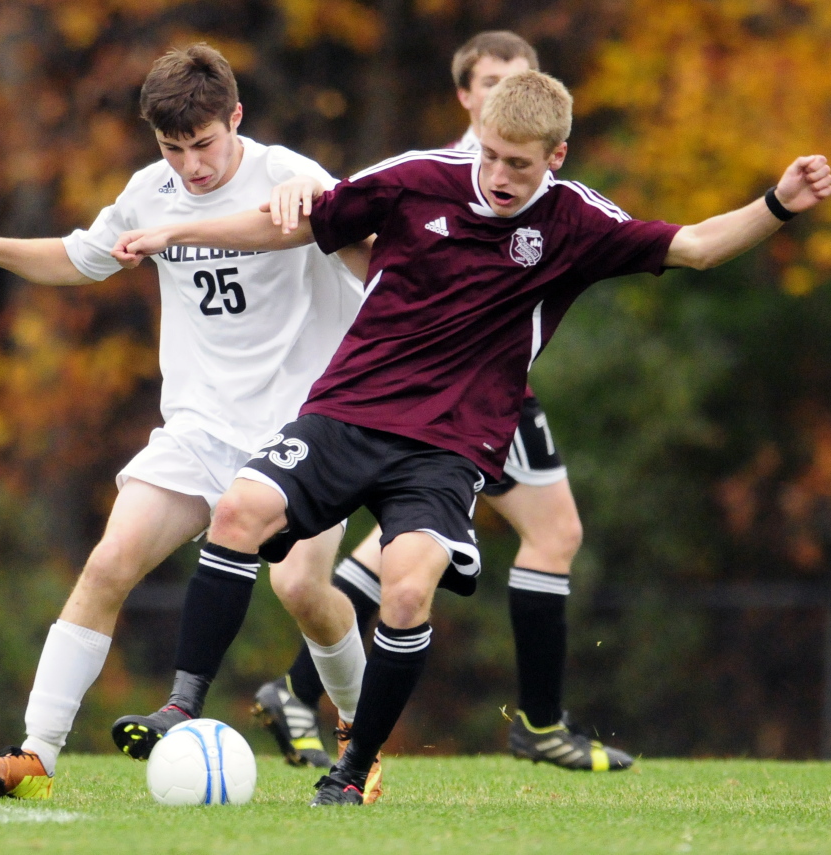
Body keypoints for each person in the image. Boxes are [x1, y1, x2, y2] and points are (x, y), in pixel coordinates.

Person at [110, 69, 831, 805]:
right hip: (346, 413)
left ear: (555, 156)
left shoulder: (576, 223)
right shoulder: (418, 178)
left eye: (517, 163)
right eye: (487, 154)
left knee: (408, 589)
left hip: (447, 451)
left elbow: (699, 245)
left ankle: (353, 769)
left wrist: (779, 204)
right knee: (237, 513)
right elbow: (295, 223)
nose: (496, 175)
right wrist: (177, 228)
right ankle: (181, 705)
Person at [0, 43, 371, 800]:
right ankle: (35, 756)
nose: (190, 166)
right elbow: (80, 257)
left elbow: (373, 250)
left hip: (307, 428)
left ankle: (361, 741)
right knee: (108, 561)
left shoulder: (292, 177)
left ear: (236, 119)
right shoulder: (149, 192)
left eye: (204, 144)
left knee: (300, 588)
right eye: (172, 148)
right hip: (198, 427)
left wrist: (326, 217)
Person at [250, 29, 632, 775]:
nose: (506, 92)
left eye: (521, 78)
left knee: (432, 540)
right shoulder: (448, 172)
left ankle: (302, 687)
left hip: (489, 388)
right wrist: (300, 197)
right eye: (491, 80)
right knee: (541, 533)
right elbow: (356, 230)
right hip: (448, 397)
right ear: (466, 95)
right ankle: (538, 723)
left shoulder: (536, 185)